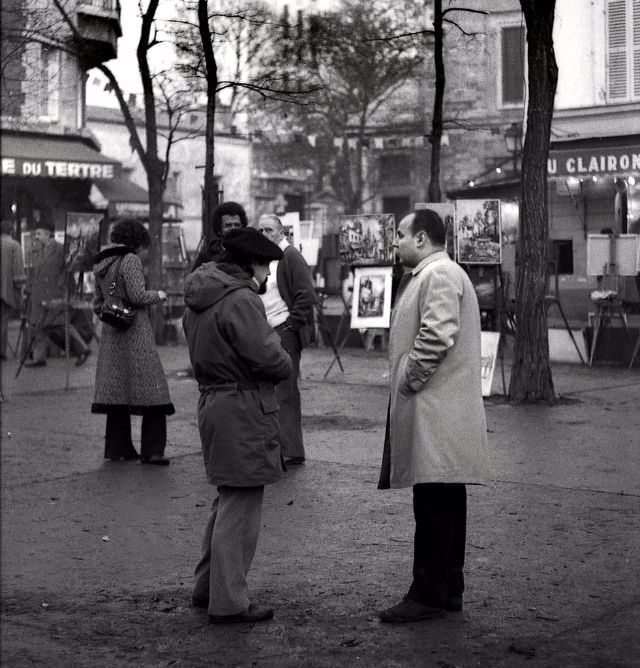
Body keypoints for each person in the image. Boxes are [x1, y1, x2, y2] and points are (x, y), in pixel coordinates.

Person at [378, 208, 490, 624]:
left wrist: (408, 378)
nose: (396, 243)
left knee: (433, 508)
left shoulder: (438, 275)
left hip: (436, 413)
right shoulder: (438, 274)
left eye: (401, 235)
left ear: (422, 238)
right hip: (440, 413)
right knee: (443, 504)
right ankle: (445, 590)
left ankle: (428, 593)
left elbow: (437, 334)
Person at [183, 227, 292, 624]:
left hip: (213, 400)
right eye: (265, 266)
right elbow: (269, 358)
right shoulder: (242, 299)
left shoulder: (201, 294)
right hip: (243, 404)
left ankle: (207, 587)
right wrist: (284, 358)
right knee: (241, 506)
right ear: (252, 264)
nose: (267, 275)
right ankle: (229, 601)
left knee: (228, 498)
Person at [91, 218, 174, 465]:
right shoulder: (130, 260)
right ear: (138, 241)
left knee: (117, 392)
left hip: (112, 334)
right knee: (154, 391)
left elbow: (97, 302)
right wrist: (158, 295)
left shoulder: (102, 263)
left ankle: (118, 448)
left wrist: (112, 314)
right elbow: (137, 295)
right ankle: (153, 451)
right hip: (135, 332)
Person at [257, 213, 317, 465]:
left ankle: (291, 450)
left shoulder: (290, 256)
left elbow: (306, 294)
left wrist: (292, 323)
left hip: (284, 331)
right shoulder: (265, 258)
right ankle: (277, 447)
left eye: (269, 230)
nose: (264, 235)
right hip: (267, 330)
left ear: (281, 232)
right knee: (271, 391)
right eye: (260, 230)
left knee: (286, 392)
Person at [191, 201, 248, 271]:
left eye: (237, 225)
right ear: (219, 229)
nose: (233, 229)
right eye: (228, 225)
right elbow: (194, 280)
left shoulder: (250, 254)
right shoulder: (206, 256)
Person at [0, 219, 26, 360]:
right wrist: (21, 286)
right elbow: (18, 272)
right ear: (11, 231)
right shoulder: (14, 245)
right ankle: (1, 352)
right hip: (4, 291)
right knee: (3, 321)